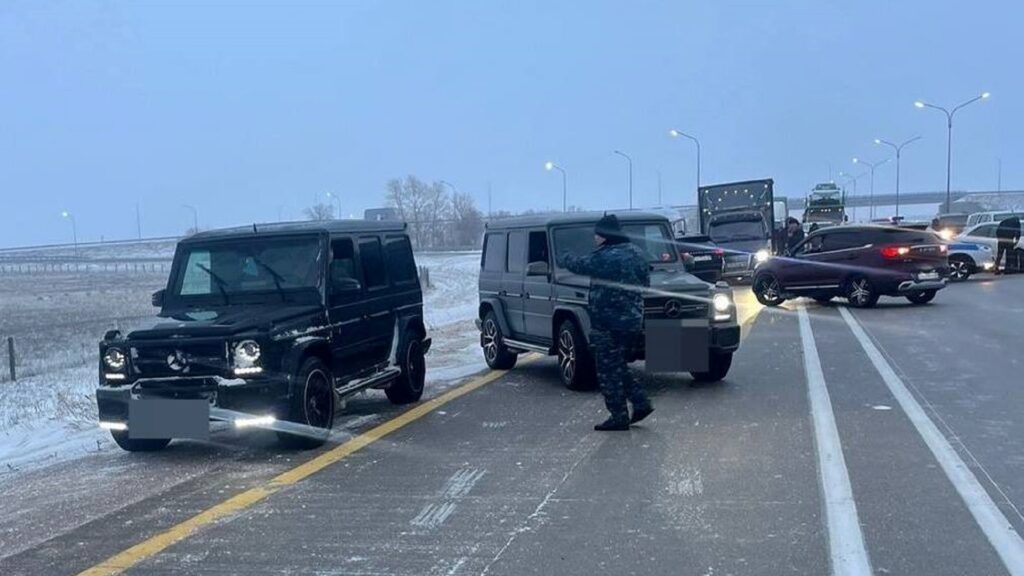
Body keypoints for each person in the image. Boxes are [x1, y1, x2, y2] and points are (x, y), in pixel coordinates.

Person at [561, 214, 653, 431]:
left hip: (608, 323)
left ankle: (619, 416)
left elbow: (579, 265)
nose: (595, 239)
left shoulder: (605, 257)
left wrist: (563, 256)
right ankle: (640, 402)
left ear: (604, 236)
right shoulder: (637, 254)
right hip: (632, 321)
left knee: (606, 371)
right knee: (617, 365)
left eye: (597, 235)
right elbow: (646, 284)